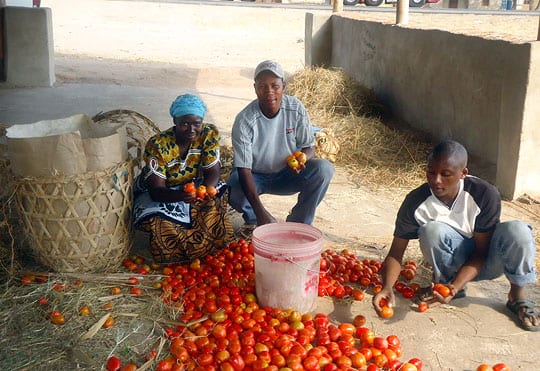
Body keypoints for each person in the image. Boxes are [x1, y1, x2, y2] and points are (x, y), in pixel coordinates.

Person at [372, 140, 540, 331]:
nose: (436, 180)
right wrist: (387, 287)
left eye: (446, 174)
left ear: (463, 174)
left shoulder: (485, 193)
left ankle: (517, 296)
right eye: (431, 172)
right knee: (431, 230)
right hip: (453, 262)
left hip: (488, 261)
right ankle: (445, 286)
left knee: (517, 230)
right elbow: (395, 253)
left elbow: (481, 253)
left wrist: (456, 285)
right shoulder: (416, 201)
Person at [228, 60, 334, 229]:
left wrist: (303, 158)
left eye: (275, 86)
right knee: (233, 187)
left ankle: (299, 223)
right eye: (262, 86)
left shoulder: (296, 108)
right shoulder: (245, 121)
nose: (269, 92)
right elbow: (244, 170)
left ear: (283, 87)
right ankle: (256, 220)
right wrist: (261, 212)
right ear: (255, 89)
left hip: (288, 173)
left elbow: (309, 146)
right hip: (256, 176)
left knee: (324, 169)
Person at [133, 94, 233, 263]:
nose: (191, 129)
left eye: (197, 123)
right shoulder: (158, 145)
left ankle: (207, 249)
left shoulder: (208, 134)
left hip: (190, 188)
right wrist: (181, 197)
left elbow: (213, 173)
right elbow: (156, 192)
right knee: (158, 219)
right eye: (184, 124)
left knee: (217, 195)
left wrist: (205, 191)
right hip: (162, 193)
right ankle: (175, 258)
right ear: (175, 121)